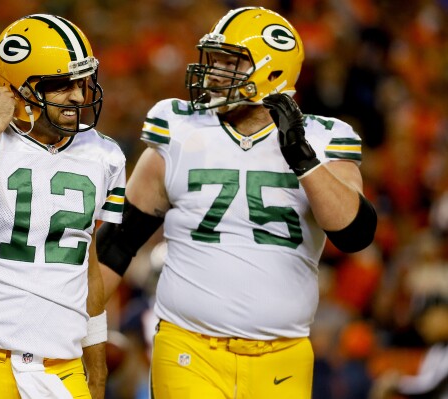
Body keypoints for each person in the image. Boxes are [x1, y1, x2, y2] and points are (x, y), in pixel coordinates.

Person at [97, 7, 377, 399]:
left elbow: (355, 233)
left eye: (231, 62)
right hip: (188, 348)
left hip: (283, 356)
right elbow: (118, 242)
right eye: (215, 60)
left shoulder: (325, 138)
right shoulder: (180, 129)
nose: (213, 73)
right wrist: (74, 319)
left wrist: (303, 159)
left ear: (271, 71)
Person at [0, 14, 126, 399]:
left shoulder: (104, 154)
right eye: (61, 85)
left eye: (81, 82)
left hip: (63, 366)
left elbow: (88, 266)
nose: (79, 97)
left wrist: (95, 368)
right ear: (17, 90)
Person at [370, 294, 448, 399]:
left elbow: (431, 386)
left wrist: (397, 384)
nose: (422, 328)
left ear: (443, 313)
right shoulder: (434, 351)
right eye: (419, 324)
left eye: (426, 319)